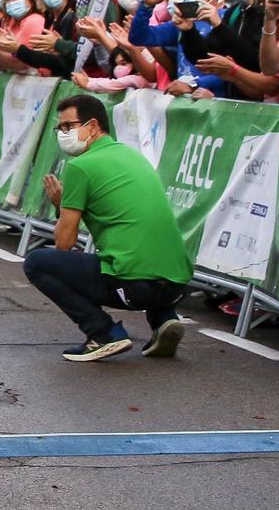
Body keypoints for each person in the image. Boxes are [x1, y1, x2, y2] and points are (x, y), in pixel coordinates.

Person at [22, 94, 192, 362]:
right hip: (178, 283)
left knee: (37, 263)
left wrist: (60, 205)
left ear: (91, 126)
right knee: (139, 252)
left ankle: (102, 333)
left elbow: (64, 245)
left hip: (135, 286)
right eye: (60, 128)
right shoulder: (132, 156)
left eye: (68, 126)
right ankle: (164, 319)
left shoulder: (81, 166)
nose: (63, 133)